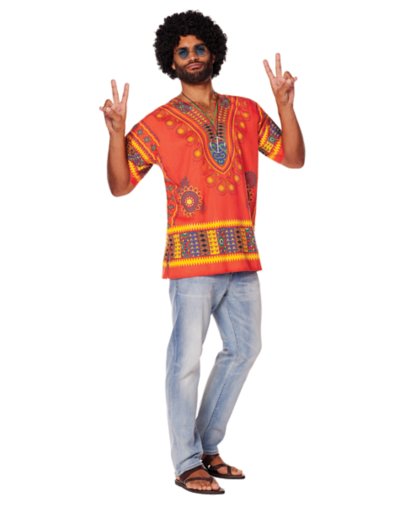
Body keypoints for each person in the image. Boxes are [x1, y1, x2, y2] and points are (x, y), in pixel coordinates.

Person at [100, 10, 305, 495]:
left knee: (245, 349)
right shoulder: (158, 123)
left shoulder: (247, 111)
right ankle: (186, 462)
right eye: (182, 51)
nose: (192, 56)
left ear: (213, 53)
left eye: (198, 48)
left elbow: (294, 158)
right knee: (185, 361)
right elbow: (120, 186)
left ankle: (206, 447)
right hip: (191, 263)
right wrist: (115, 135)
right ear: (170, 62)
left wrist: (285, 106)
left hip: (242, 257)